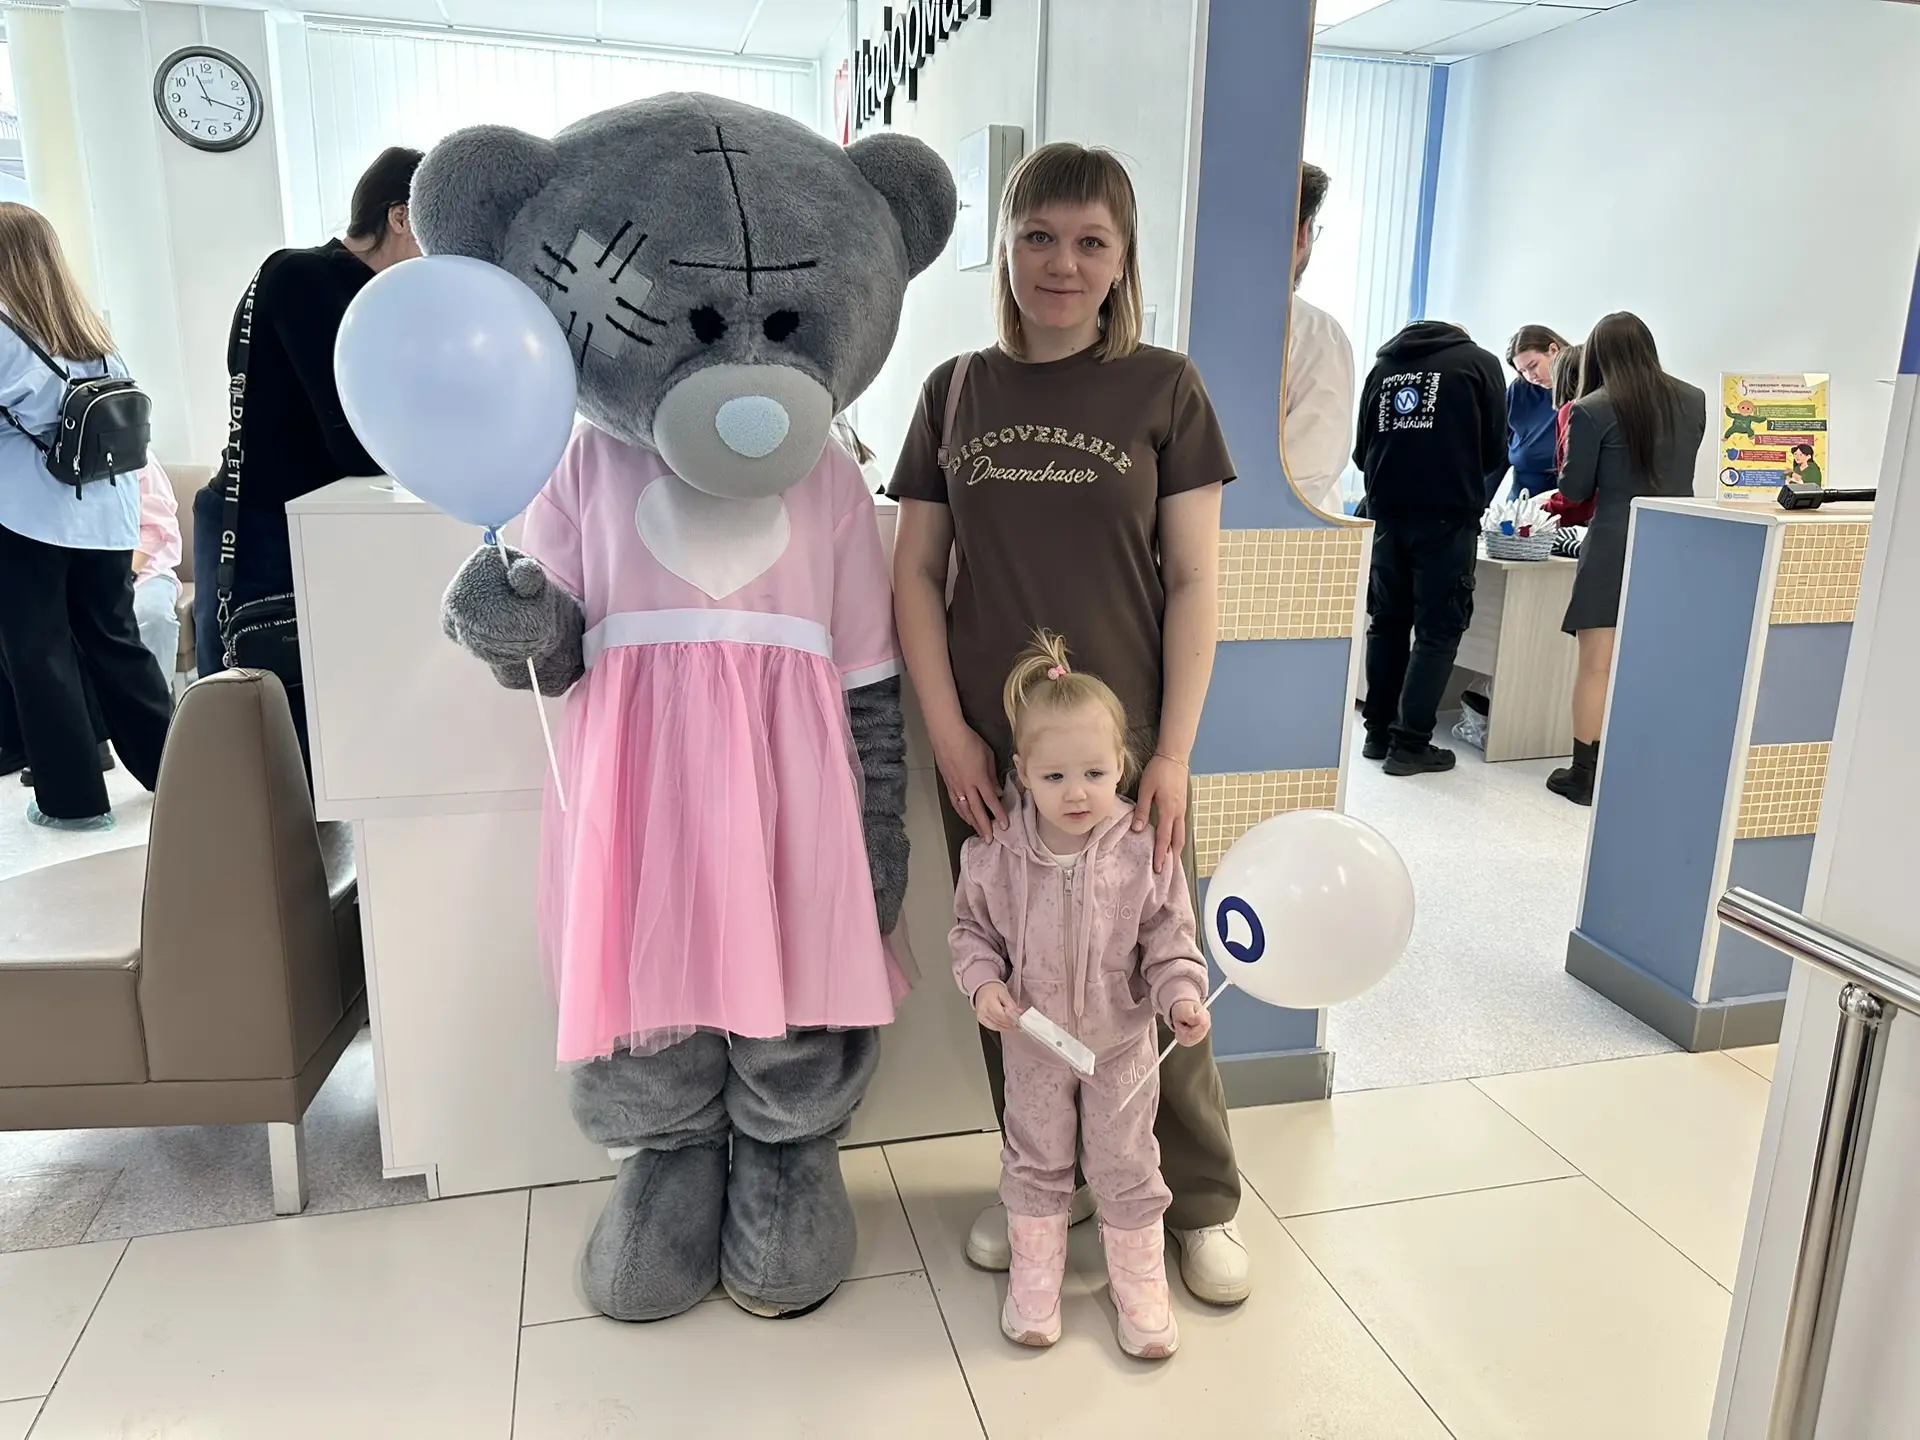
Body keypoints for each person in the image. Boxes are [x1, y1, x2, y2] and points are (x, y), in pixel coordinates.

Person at [889, 141, 1250, 1305]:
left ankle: (1196, 1202)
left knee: (1152, 970)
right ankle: (1049, 1186)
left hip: (1122, 754)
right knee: (1019, 975)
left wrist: (1175, 751)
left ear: (1123, 258)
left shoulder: (1166, 388)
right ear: (1005, 245)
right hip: (999, 759)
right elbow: (915, 575)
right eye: (1039, 236)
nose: (1062, 262)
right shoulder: (954, 391)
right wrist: (950, 731)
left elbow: (1195, 580)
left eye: (1092, 241)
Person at [952, 632, 1211, 1359]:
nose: (1076, 792)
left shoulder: (1141, 850)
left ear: (1121, 765)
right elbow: (971, 933)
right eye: (1055, 775)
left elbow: (1169, 938)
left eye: (1095, 773)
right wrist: (984, 985)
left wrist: (1181, 997)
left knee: (1127, 1162)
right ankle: (1035, 1279)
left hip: (1121, 1045)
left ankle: (1140, 1285)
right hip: (1034, 1045)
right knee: (1034, 1158)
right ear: (1021, 774)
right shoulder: (995, 855)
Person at [192, 147, 423, 720]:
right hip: (262, 523)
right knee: (258, 713)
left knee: (312, 714)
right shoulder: (304, 277)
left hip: (304, 518)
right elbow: (352, 439)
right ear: (399, 217)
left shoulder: (359, 293)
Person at [0, 204, 173, 829]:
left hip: (28, 517)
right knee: (116, 644)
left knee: (39, 655)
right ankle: (179, 775)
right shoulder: (89, 332)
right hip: (109, 514)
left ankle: (72, 803)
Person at [1549, 312, 1707, 805]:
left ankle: (1584, 775)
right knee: (1654, 658)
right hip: (1674, 541)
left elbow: (1576, 488)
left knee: (1597, 664)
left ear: (1596, 356)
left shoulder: (1590, 408)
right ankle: (1640, 766)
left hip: (1614, 540)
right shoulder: (1693, 399)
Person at [1354, 320, 1508, 776]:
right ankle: (1410, 744)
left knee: (1387, 622)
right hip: (1447, 516)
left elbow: (1362, 452)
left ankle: (1378, 734)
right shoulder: (1479, 364)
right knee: (1438, 630)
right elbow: (1495, 451)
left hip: (1385, 516)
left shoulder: (1382, 368)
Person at [1282, 163, 1355, 514]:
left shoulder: (1192, 316)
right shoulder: (1317, 335)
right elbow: (1304, 480)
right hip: (1282, 538)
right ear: (1303, 233)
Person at [1500, 324, 1569, 501]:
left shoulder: (1582, 387)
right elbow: (1500, 446)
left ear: (1553, 350)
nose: (1531, 376)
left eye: (1533, 366)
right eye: (1522, 371)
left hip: (1565, 494)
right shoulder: (1519, 389)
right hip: (1522, 495)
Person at [132, 456, 183, 687]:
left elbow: (156, 529)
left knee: (153, 616)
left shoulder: (139, 459)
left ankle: (156, 702)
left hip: (146, 572)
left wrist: (123, 575)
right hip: (83, 576)